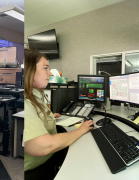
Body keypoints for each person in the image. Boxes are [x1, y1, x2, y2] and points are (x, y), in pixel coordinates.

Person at [24, 50, 94, 180]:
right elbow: (44, 146)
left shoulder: (36, 96)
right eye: (45, 68)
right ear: (30, 71)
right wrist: (81, 130)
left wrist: (49, 117)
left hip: (48, 161)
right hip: (36, 171)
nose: (50, 73)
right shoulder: (26, 102)